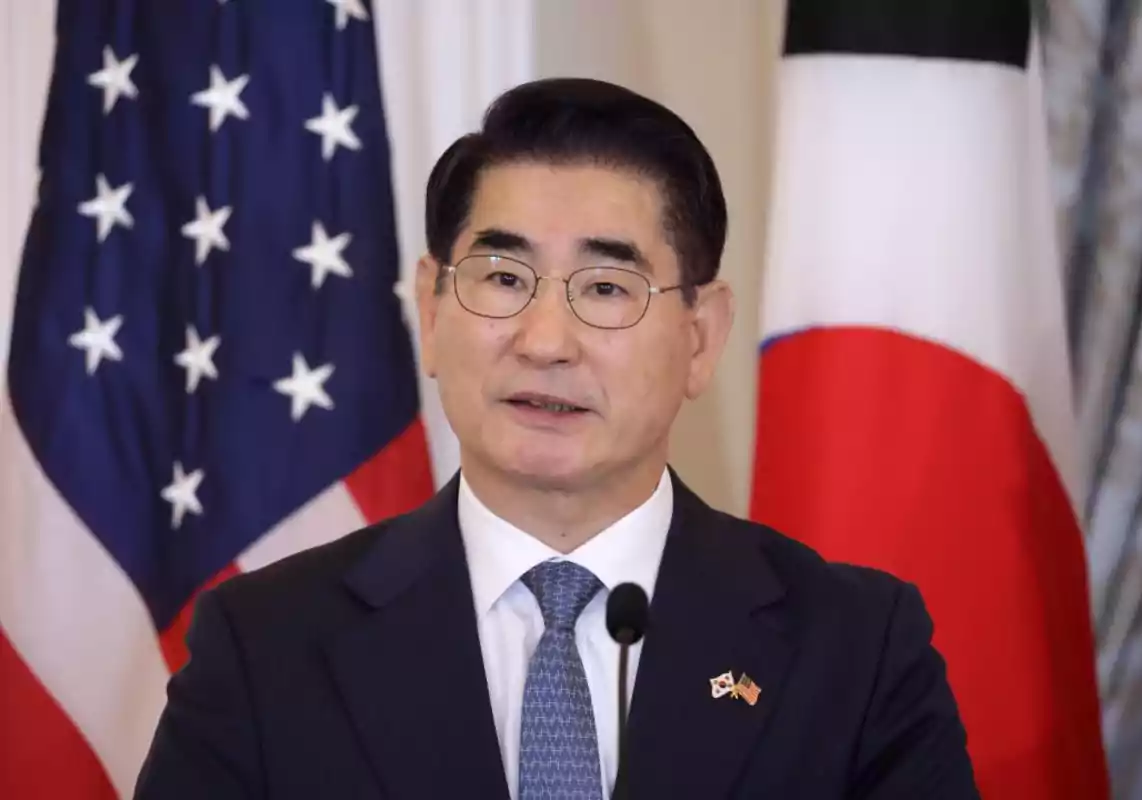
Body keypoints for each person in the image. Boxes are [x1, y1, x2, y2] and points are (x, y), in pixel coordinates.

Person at [134, 77, 979, 799]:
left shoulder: (856, 649)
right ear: (430, 311)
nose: (544, 340)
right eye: (503, 278)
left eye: (607, 288)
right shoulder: (264, 645)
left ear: (701, 336)